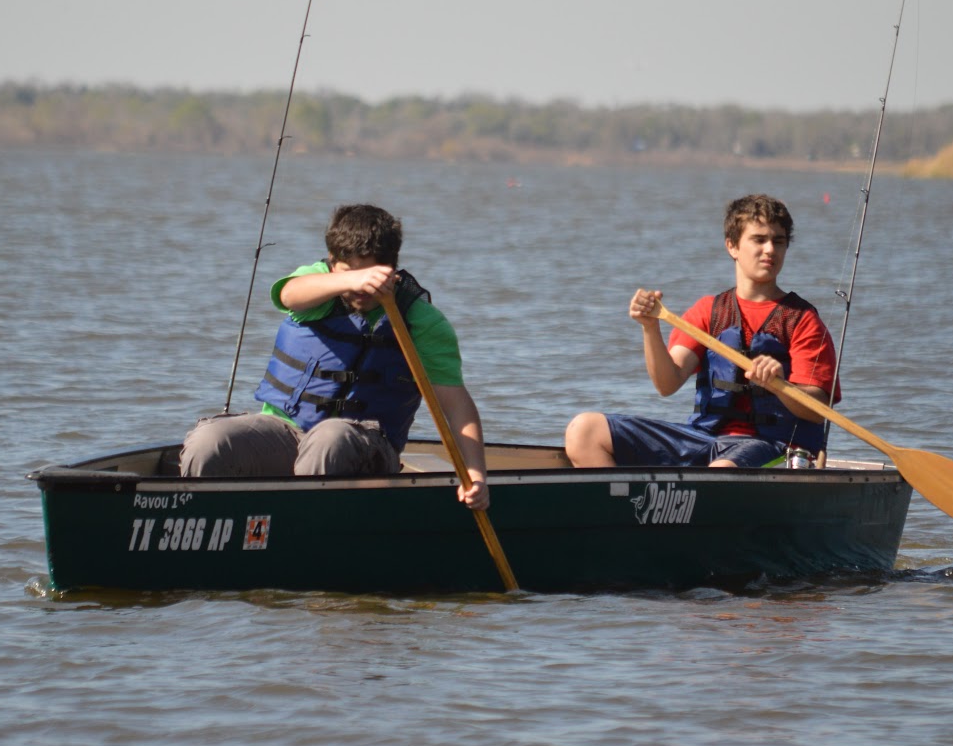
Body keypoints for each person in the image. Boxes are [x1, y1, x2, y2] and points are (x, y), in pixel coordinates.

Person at [180, 203, 490, 510]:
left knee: (329, 438)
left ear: (391, 268)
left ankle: (304, 533)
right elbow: (289, 294)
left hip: (366, 444)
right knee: (211, 439)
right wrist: (349, 280)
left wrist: (475, 474)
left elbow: (455, 404)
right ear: (331, 263)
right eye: (348, 272)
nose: (360, 287)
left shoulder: (422, 321)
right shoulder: (318, 287)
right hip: (287, 431)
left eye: (370, 274)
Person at [564, 194, 838, 469]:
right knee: (584, 431)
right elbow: (667, 383)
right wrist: (650, 328)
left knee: (722, 470)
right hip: (705, 438)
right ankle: (625, 510)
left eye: (778, 241)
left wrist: (781, 385)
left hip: (773, 447)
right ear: (732, 246)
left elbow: (817, 411)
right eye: (759, 239)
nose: (770, 249)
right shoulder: (709, 311)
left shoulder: (802, 320)